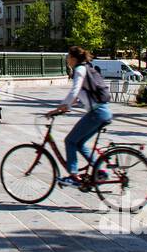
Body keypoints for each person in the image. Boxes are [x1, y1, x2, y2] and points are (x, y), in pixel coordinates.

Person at [48, 46, 113, 186]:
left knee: (70, 141)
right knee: (80, 143)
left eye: (68, 57)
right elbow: (80, 95)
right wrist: (67, 107)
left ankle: (73, 176)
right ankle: (99, 171)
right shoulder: (86, 68)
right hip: (103, 111)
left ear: (73, 58)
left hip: (97, 113)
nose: (67, 60)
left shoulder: (79, 69)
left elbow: (75, 90)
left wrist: (61, 106)